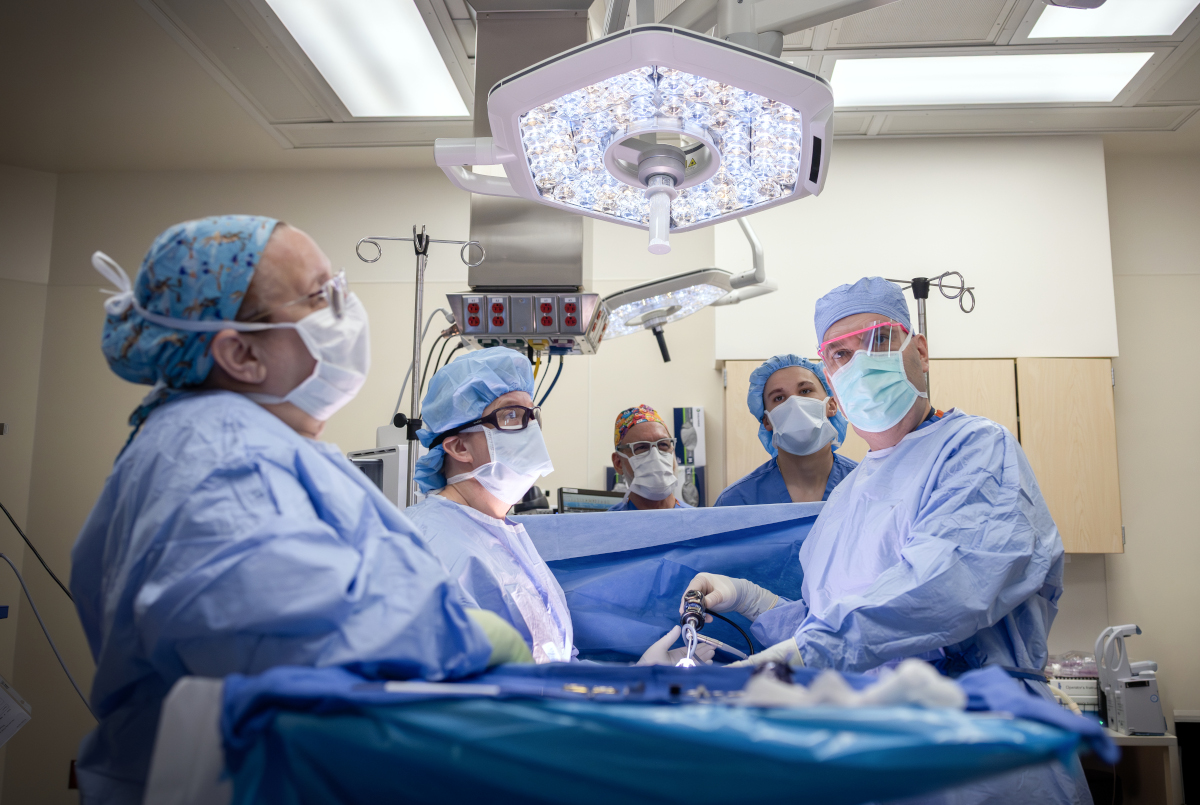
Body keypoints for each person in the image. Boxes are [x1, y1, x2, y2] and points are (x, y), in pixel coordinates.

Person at [72, 217, 528, 805]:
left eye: (337, 288)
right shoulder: (217, 456)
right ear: (239, 352)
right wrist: (466, 637)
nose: (345, 310)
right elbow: (293, 639)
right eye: (319, 297)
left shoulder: (262, 443)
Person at [682, 276, 1087, 804]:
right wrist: (746, 597)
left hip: (983, 755)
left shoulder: (975, 450)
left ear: (919, 351)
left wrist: (803, 652)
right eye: (838, 355)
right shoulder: (848, 498)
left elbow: (940, 590)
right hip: (879, 754)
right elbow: (826, 616)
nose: (858, 364)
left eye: (877, 341)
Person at [408, 351, 709, 667]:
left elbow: (555, 661)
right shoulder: (426, 543)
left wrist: (633, 676)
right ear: (458, 447)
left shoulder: (503, 533)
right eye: (511, 415)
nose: (531, 431)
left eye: (531, 415)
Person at [715, 355, 857, 506]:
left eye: (805, 391)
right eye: (779, 398)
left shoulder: (867, 485)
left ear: (832, 405)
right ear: (767, 421)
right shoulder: (736, 502)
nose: (794, 403)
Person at [607, 404, 692, 511]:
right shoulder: (607, 524)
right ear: (618, 463)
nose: (655, 456)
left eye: (663, 445)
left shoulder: (698, 522)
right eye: (641, 447)